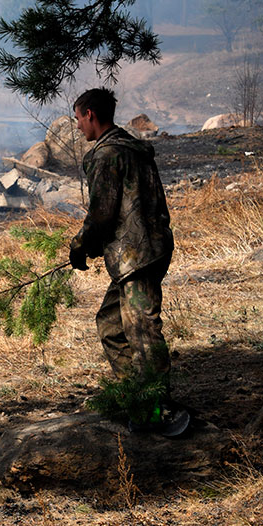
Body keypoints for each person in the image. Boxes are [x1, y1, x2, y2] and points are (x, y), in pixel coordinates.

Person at [68, 88, 175, 419]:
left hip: (136, 256)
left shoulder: (107, 155)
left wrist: (80, 244)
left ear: (90, 115)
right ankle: (135, 397)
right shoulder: (132, 147)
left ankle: (156, 409)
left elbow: (102, 212)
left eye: (78, 120)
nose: (78, 128)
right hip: (147, 250)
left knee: (142, 330)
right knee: (112, 326)